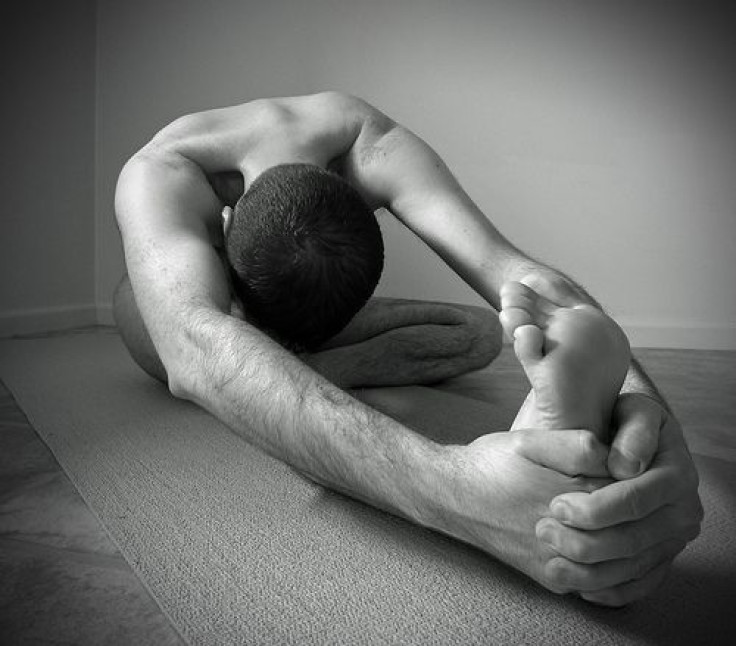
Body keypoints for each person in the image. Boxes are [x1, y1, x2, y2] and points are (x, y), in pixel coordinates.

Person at [113, 91, 702, 606]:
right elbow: (195, 343)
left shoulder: (366, 140)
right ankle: (285, 370)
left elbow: (518, 279)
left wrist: (648, 430)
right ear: (226, 216)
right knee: (170, 342)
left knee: (475, 332)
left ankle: (300, 373)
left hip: (320, 320)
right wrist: (466, 491)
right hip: (200, 315)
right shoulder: (162, 173)